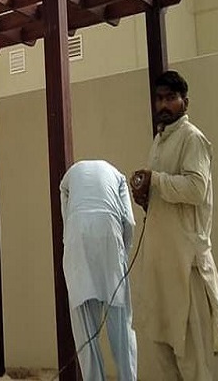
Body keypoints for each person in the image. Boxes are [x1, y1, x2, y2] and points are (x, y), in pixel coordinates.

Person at [131, 70, 218, 380]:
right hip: (161, 266)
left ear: (185, 102)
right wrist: (145, 195)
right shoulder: (160, 140)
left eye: (171, 98)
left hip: (186, 267)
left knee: (192, 360)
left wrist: (156, 180)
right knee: (163, 355)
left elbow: (195, 189)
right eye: (159, 98)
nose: (164, 105)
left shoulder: (192, 139)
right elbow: (164, 194)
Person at [60, 159, 137, 381]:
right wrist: (123, 254)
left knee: (85, 328)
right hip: (110, 237)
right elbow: (129, 222)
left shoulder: (69, 178)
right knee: (121, 325)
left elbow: (66, 210)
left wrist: (69, 239)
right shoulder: (118, 175)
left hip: (77, 240)